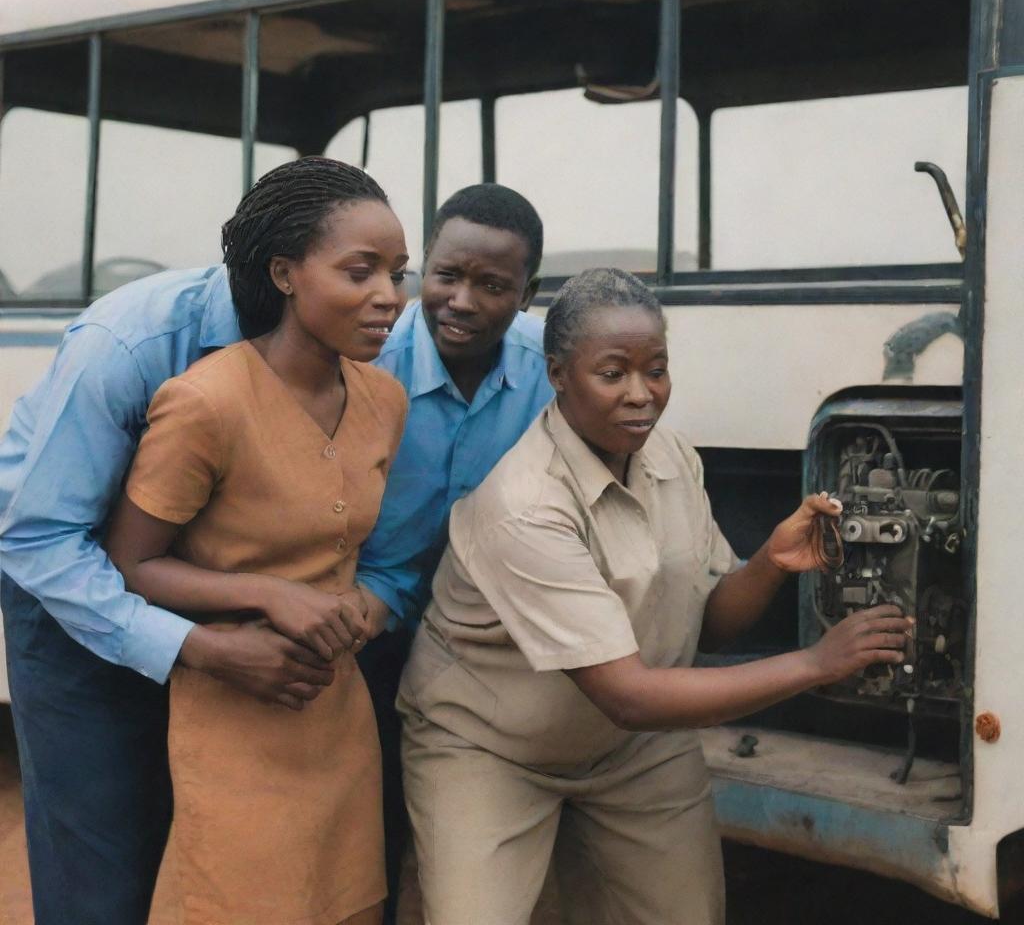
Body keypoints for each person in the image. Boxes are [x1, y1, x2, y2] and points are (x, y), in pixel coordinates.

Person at [398, 268, 913, 925]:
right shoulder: (525, 505)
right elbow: (629, 694)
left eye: (657, 370)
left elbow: (709, 626)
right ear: (558, 375)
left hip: (631, 748)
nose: (642, 395)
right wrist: (816, 664)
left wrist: (771, 563)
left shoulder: (670, 455)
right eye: (612, 373)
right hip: (493, 747)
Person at [0, 157, 392, 924]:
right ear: (285, 273)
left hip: (204, 592)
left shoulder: (352, 347)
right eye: (361, 270)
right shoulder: (133, 343)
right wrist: (198, 647)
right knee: (104, 857)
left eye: (397, 273)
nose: (388, 297)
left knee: (209, 854)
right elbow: (41, 537)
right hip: (66, 582)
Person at [353, 183, 554, 918]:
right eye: (446, 275)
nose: (461, 301)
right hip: (369, 618)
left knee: (457, 836)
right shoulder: (364, 362)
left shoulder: (550, 374)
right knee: (365, 822)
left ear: (527, 294)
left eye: (492, 285)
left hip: (487, 635)